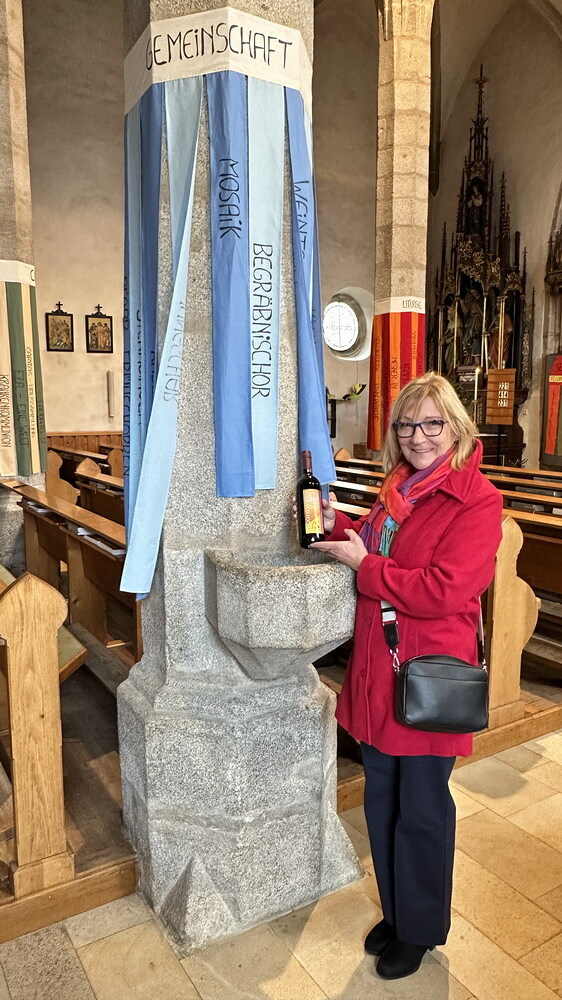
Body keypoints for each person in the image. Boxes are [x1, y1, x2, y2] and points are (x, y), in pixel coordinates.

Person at [311, 372, 503, 980]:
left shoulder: (477, 500)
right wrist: (333, 525)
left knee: (421, 810)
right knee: (382, 801)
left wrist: (366, 567)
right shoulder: (398, 488)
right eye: (406, 424)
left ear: (456, 427)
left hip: (427, 677)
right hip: (380, 668)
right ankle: (397, 913)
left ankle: (419, 931)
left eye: (431, 424)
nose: (418, 437)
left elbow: (446, 590)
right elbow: (376, 545)